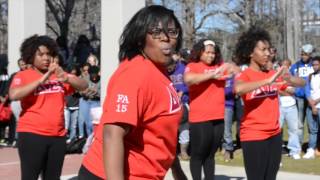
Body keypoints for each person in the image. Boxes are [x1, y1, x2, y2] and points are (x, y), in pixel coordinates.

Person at [78, 5, 183, 180]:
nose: (166, 38)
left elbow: (162, 131)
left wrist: (177, 170)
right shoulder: (135, 73)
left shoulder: (158, 70)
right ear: (140, 37)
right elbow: (112, 134)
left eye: (172, 32)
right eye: (156, 31)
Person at [9, 34, 88, 180]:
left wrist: (67, 77)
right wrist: (41, 80)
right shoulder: (24, 75)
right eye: (41, 55)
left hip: (57, 136)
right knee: (29, 177)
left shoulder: (58, 75)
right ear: (31, 56)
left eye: (49, 54)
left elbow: (84, 85)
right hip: (32, 134)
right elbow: (14, 94)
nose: (46, 58)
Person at [233, 26, 305, 180]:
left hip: (274, 134)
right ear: (250, 53)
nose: (267, 53)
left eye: (268, 49)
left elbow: (302, 82)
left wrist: (289, 78)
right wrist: (266, 81)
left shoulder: (273, 73)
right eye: (263, 49)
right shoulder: (245, 74)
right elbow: (238, 89)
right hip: (254, 135)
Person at [184, 39, 236, 180]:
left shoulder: (219, 66)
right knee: (198, 154)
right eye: (207, 52)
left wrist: (227, 66)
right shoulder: (192, 66)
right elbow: (189, 79)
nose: (211, 55)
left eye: (213, 53)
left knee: (211, 154)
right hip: (200, 118)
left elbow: (233, 69)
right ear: (200, 52)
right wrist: (212, 75)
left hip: (218, 116)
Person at [290, 44, 314, 144]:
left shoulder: (315, 65)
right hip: (299, 97)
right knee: (299, 123)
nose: (303, 56)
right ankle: (298, 144)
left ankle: (312, 144)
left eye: (306, 54)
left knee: (311, 123)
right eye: (302, 54)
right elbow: (290, 79)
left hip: (311, 98)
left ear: (310, 54)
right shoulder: (295, 66)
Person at [278, 59, 301, 159]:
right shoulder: (277, 77)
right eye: (283, 65)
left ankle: (294, 150)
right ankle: (276, 150)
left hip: (291, 106)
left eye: (287, 65)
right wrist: (287, 90)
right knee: (277, 129)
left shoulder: (293, 78)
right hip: (279, 106)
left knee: (293, 129)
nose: (285, 67)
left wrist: (285, 89)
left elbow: (295, 91)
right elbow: (277, 90)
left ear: (290, 66)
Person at [303, 56, 320, 159]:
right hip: (311, 107)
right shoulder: (309, 76)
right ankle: (311, 150)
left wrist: (316, 102)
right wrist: (312, 104)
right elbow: (306, 91)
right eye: (313, 65)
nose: (314, 66)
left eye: (316, 64)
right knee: (312, 130)